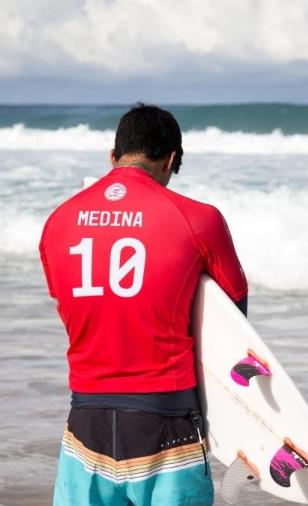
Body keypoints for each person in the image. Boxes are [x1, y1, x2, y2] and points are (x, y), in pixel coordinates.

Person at [39, 104, 248, 505]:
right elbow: (232, 321)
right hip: (168, 426)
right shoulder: (199, 219)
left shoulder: (57, 221)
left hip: (86, 424)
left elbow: (76, 307)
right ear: (171, 159)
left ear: (112, 157)